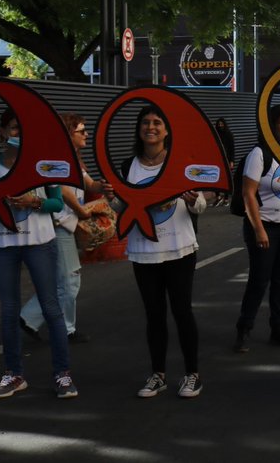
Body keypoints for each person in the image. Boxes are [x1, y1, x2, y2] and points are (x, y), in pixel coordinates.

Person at [0, 108, 78, 399]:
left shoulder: (43, 164)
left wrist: (33, 202)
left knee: (51, 306)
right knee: (9, 311)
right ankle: (14, 374)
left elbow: (56, 204)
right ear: (2, 132)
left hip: (40, 242)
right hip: (4, 244)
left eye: (22, 130)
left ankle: (62, 374)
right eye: (12, 129)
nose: (17, 135)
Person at [115, 105, 207, 399]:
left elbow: (201, 205)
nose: (150, 127)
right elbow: (121, 207)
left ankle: (192, 374)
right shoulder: (128, 166)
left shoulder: (182, 163)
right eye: (145, 122)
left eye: (157, 123)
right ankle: (158, 375)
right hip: (144, 251)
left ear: (167, 131)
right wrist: (114, 199)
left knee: (182, 311)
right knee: (154, 314)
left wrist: (193, 200)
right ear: (138, 129)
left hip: (179, 248)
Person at [18, 113, 107, 344]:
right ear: (68, 134)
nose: (87, 134)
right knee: (69, 279)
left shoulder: (75, 160)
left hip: (64, 225)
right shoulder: (59, 160)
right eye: (81, 131)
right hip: (59, 224)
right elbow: (64, 192)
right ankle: (63, 328)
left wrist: (105, 186)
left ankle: (29, 318)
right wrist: (81, 210)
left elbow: (89, 184)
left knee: (60, 280)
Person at [233, 104, 280, 353]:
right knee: (259, 279)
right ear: (272, 126)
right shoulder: (260, 154)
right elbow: (248, 194)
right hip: (265, 227)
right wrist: (259, 230)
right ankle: (244, 327)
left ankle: (278, 328)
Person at [214, 118, 236, 206]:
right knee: (216, 178)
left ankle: (226, 198)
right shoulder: (215, 134)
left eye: (221, 124)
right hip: (217, 160)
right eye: (218, 124)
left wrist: (232, 161)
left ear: (224, 124)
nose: (220, 126)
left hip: (226, 159)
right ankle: (218, 197)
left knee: (226, 179)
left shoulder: (229, 135)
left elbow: (232, 149)